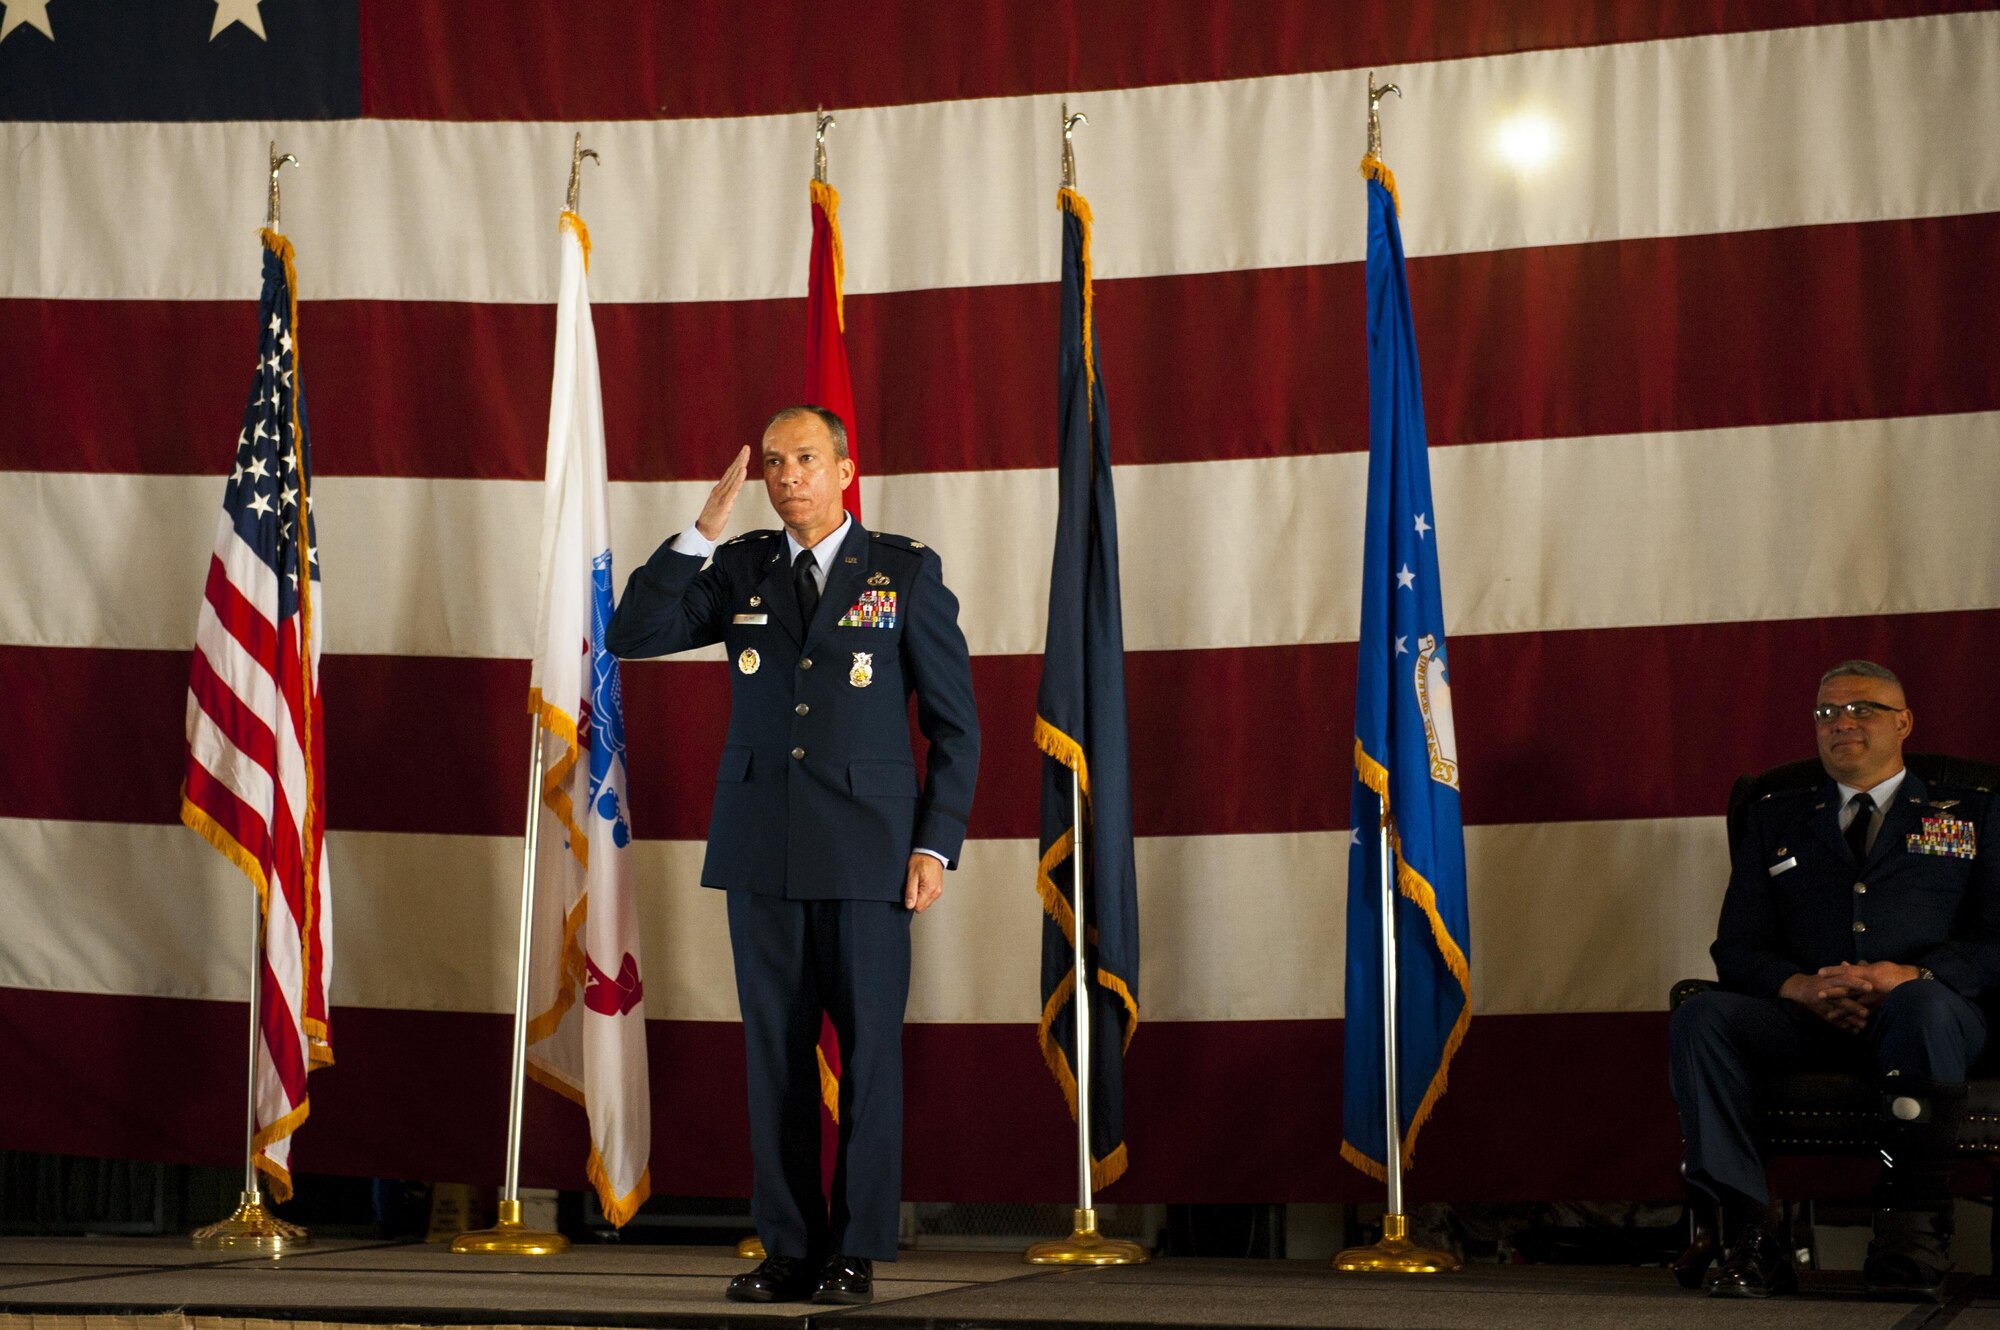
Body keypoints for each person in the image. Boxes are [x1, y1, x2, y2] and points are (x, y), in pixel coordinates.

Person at [605, 405, 979, 1305]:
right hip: (763, 850)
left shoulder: (902, 572)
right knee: (773, 1057)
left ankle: (854, 1249)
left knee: (868, 1059)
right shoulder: (738, 569)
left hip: (871, 854)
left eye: (806, 459)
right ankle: (787, 1247)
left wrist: (936, 843)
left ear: (846, 470)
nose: (787, 478)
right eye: (774, 463)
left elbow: (955, 726)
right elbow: (634, 636)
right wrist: (700, 531)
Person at [1670, 660, 2000, 1302]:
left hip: (1935, 1020)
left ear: (1903, 722)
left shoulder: (1974, 814)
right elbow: (1735, 947)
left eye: (1862, 709)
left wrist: (1910, 975)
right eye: (1826, 713)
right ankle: (1749, 1233)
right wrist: (1796, 986)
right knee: (1701, 1016)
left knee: (1922, 1005)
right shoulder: (1777, 818)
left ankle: (1911, 1236)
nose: (1841, 722)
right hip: (1810, 1018)